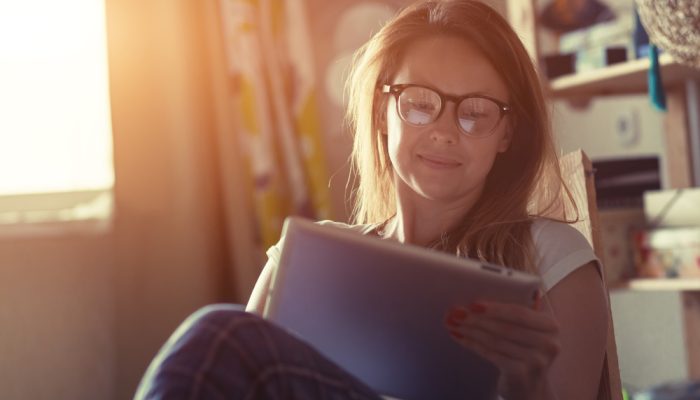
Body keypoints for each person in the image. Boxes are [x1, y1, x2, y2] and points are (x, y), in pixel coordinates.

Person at [135, 1, 609, 399]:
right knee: (219, 335)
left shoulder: (556, 258)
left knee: (218, 335)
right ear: (384, 111)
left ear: (506, 132)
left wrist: (528, 388)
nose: (444, 132)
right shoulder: (307, 256)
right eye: (421, 103)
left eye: (475, 112)